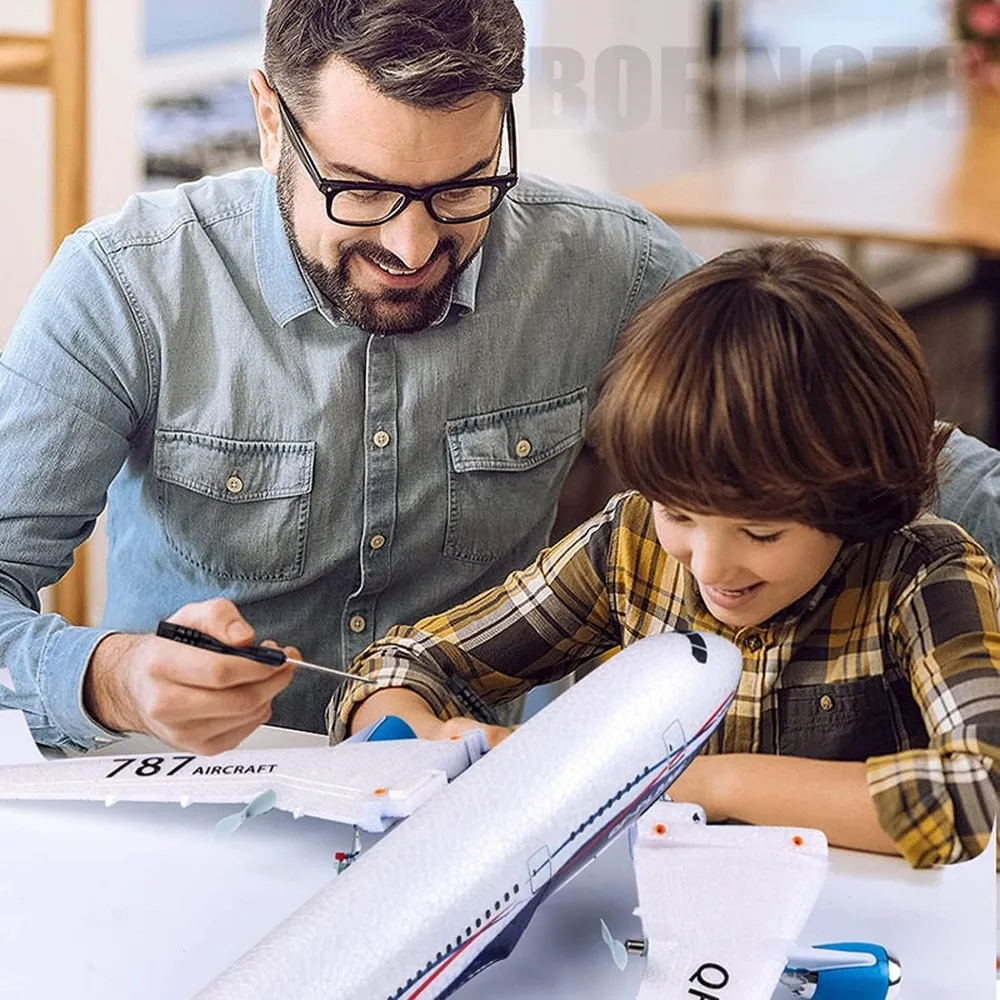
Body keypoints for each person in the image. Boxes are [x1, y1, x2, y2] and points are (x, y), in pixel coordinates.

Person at [0, 0, 700, 754]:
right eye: (362, 192)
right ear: (272, 123)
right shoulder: (126, 285)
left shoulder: (617, 270)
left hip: (472, 793)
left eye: (463, 188)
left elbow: (787, 491)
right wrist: (115, 680)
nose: (411, 246)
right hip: (177, 799)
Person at [333, 242, 1000, 870]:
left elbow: (979, 790)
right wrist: (413, 731)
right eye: (678, 512)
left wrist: (696, 779)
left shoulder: (924, 574)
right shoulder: (631, 543)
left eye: (761, 535)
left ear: (855, 498)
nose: (708, 566)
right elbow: (408, 662)